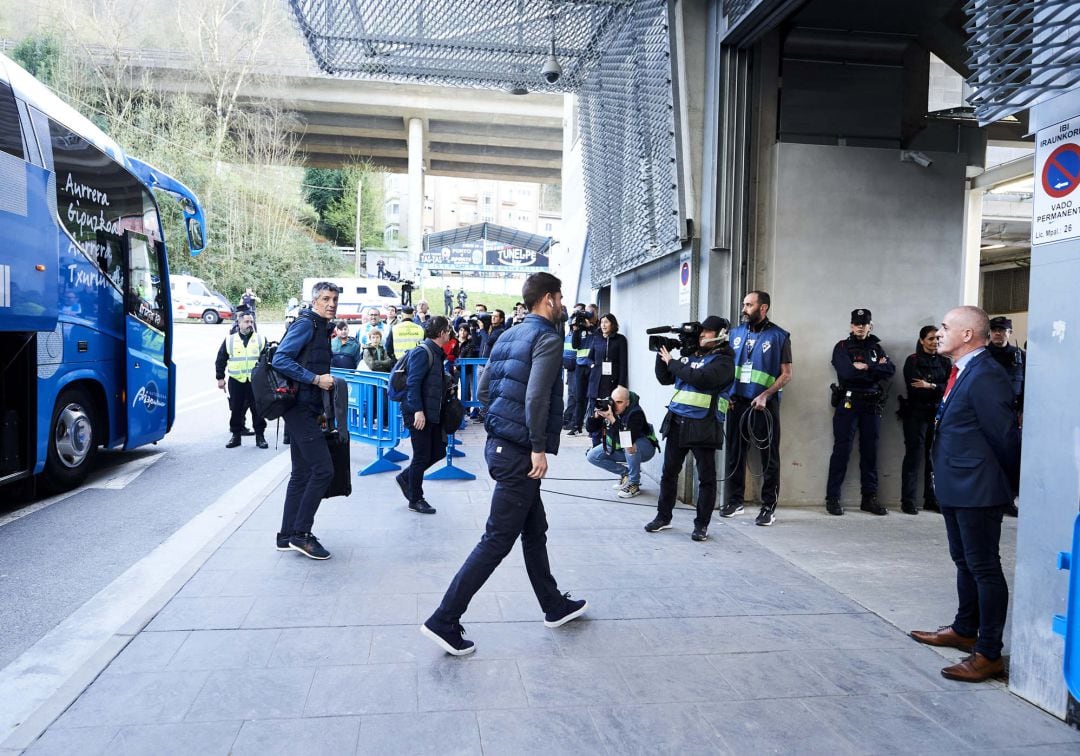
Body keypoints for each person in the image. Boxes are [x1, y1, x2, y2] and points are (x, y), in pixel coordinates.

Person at [421, 272, 587, 655]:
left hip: (499, 445)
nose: (562, 304)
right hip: (519, 453)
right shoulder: (546, 337)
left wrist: (502, 425)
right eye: (560, 298)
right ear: (548, 299)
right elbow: (536, 397)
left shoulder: (508, 335)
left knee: (534, 528)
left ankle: (554, 605)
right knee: (497, 540)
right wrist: (537, 447)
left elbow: (482, 390)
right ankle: (445, 618)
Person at [909, 306, 1020, 682]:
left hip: (979, 488)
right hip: (958, 485)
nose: (939, 333)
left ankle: (988, 652)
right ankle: (964, 628)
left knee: (984, 566)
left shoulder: (987, 374)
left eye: (945, 327)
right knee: (964, 561)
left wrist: (1009, 485)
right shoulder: (962, 370)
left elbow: (1004, 436)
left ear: (968, 334)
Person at [645, 316, 736, 541]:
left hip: (703, 425)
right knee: (669, 474)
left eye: (707, 332)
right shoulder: (690, 356)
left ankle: (701, 525)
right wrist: (662, 356)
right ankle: (663, 517)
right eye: (701, 331)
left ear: (720, 334)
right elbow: (665, 378)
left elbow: (701, 379)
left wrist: (673, 361)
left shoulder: (724, 362)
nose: (702, 335)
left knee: (706, 478)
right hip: (677, 422)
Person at [271, 281, 340, 560]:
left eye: (334, 299)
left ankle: (286, 535)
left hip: (306, 408)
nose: (331, 303)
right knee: (323, 470)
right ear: (314, 301)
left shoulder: (321, 327)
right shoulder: (307, 324)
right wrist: (315, 379)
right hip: (298, 408)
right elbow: (280, 359)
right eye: (325, 298)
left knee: (301, 473)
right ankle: (301, 534)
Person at [721, 291, 792, 527]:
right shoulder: (735, 334)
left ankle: (768, 507)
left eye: (749, 305)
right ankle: (735, 501)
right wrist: (727, 395)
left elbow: (786, 374)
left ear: (763, 308)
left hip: (764, 405)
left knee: (768, 457)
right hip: (737, 403)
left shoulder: (779, 336)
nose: (744, 309)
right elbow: (726, 368)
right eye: (744, 304)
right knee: (734, 454)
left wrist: (765, 394)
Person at [824, 308, 896, 516]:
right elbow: (846, 372)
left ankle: (869, 498)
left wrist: (865, 368)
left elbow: (889, 371)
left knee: (870, 452)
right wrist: (874, 370)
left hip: (871, 405)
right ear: (851, 326)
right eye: (857, 323)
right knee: (842, 451)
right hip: (848, 404)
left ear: (870, 326)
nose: (860, 327)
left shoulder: (877, 348)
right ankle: (833, 498)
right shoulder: (842, 347)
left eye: (864, 324)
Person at [394, 317, 451, 514]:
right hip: (418, 413)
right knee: (421, 455)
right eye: (448, 330)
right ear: (442, 333)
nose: (450, 333)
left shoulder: (435, 352)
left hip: (431, 412)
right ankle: (415, 498)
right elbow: (413, 384)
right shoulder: (423, 352)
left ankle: (406, 478)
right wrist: (418, 411)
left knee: (438, 451)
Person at [899, 325, 951, 515]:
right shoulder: (912, 361)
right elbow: (915, 389)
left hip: (936, 414)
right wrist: (937, 387)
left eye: (937, 338)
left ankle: (931, 498)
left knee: (933, 457)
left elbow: (949, 388)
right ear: (922, 341)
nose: (934, 342)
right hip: (916, 414)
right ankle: (908, 500)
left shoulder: (945, 362)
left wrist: (930, 385)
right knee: (914, 456)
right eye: (930, 339)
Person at [585, 386, 657, 498]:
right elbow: (590, 429)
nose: (616, 405)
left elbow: (627, 440)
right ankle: (626, 473)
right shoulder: (609, 407)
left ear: (627, 403)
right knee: (592, 456)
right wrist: (596, 417)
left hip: (643, 448)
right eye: (614, 401)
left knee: (629, 446)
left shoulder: (635, 413)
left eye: (619, 402)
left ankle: (634, 484)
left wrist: (612, 419)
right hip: (620, 447)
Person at [215, 311, 268, 449]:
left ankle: (260, 437)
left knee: (258, 410)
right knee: (236, 409)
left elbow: (267, 361)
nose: (250, 324)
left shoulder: (261, 339)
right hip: (236, 381)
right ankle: (236, 436)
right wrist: (220, 378)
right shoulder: (230, 340)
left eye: (251, 322)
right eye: (246, 322)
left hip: (255, 382)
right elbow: (221, 359)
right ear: (239, 323)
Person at [586, 313, 629, 427]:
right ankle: (596, 441)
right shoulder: (596, 338)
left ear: (612, 324)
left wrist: (621, 385)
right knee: (595, 416)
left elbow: (623, 364)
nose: (603, 325)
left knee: (610, 414)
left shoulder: (620, 340)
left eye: (606, 322)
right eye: (602, 322)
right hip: (596, 382)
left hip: (611, 382)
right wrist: (593, 366)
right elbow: (589, 358)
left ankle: (609, 441)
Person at [567, 309, 596, 435]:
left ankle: (592, 427)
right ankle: (577, 425)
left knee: (592, 397)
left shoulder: (595, 330)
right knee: (580, 397)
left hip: (591, 366)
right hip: (580, 366)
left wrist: (590, 327)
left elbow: (598, 338)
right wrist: (576, 330)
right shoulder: (578, 330)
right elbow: (575, 345)